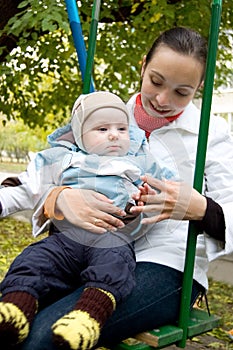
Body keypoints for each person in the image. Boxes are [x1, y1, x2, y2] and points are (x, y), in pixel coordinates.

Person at [1, 26, 233, 350]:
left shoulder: (215, 134)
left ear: (200, 87)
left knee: (44, 337)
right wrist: (57, 197)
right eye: (156, 81)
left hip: (168, 262)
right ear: (142, 66)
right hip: (86, 246)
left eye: (182, 92)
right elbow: (51, 169)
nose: (163, 100)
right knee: (12, 318)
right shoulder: (105, 114)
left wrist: (201, 208)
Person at [0, 91, 173, 350]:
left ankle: (87, 319)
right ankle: (15, 309)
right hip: (65, 240)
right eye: (102, 129)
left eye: (121, 128)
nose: (114, 134)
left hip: (112, 237)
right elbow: (25, 188)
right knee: (34, 259)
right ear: (79, 134)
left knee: (116, 265)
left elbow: (168, 189)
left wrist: (148, 198)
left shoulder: (139, 161)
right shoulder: (62, 158)